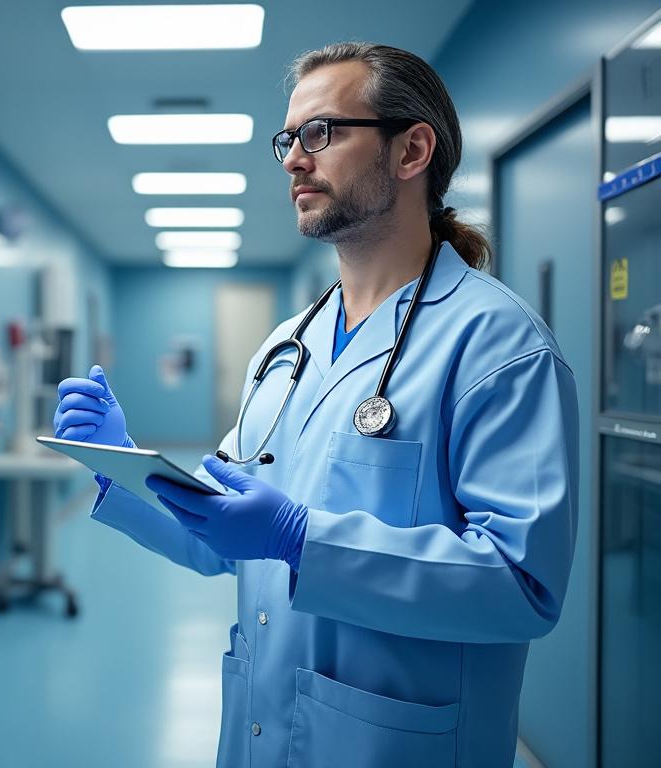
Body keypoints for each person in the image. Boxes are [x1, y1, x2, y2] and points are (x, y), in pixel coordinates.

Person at [55, 42, 577, 768]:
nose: (295, 159)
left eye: (321, 132)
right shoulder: (285, 349)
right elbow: (223, 535)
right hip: (261, 731)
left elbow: (521, 586)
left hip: (395, 745)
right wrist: (122, 468)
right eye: (288, 139)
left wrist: (305, 540)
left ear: (411, 150)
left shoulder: (497, 347)